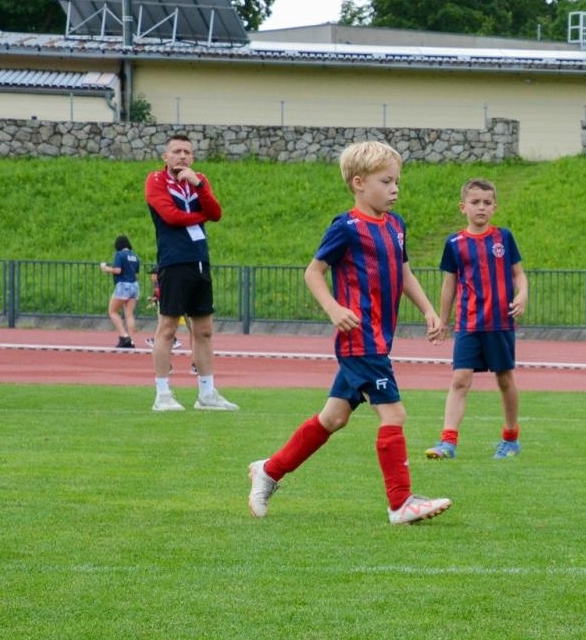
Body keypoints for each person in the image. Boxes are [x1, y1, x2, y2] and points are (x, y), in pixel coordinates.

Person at [247, 141, 452, 525]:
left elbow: (403, 272)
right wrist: (334, 308)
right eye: (386, 182)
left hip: (378, 340)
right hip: (360, 339)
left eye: (397, 181)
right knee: (394, 413)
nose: (395, 189)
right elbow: (313, 272)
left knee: (333, 418)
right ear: (359, 183)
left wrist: (428, 310)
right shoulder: (346, 228)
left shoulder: (396, 225)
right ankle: (400, 503)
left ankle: (269, 470)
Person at [426, 179, 528, 460]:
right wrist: (443, 321)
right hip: (468, 323)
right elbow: (449, 285)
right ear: (463, 207)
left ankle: (511, 439)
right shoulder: (454, 243)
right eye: (475, 202)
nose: (481, 207)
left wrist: (522, 294)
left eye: (486, 202)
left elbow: (519, 274)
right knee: (460, 379)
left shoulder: (504, 238)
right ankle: (448, 442)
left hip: (500, 322)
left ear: (494, 207)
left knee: (504, 379)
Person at [146, 133, 235, 412]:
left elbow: (216, 212)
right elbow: (171, 217)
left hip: (199, 260)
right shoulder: (156, 180)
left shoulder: (199, 180)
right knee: (168, 328)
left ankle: (206, 393)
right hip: (174, 261)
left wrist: (199, 185)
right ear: (166, 156)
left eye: (187, 152)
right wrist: (201, 216)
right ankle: (163, 394)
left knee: (204, 330)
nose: (182, 156)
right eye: (177, 151)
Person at [99, 234, 140, 349]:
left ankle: (124, 336)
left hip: (123, 285)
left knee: (112, 311)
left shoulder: (119, 254)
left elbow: (117, 270)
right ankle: (131, 340)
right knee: (129, 314)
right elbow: (137, 276)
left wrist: (105, 268)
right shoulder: (135, 256)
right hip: (134, 286)